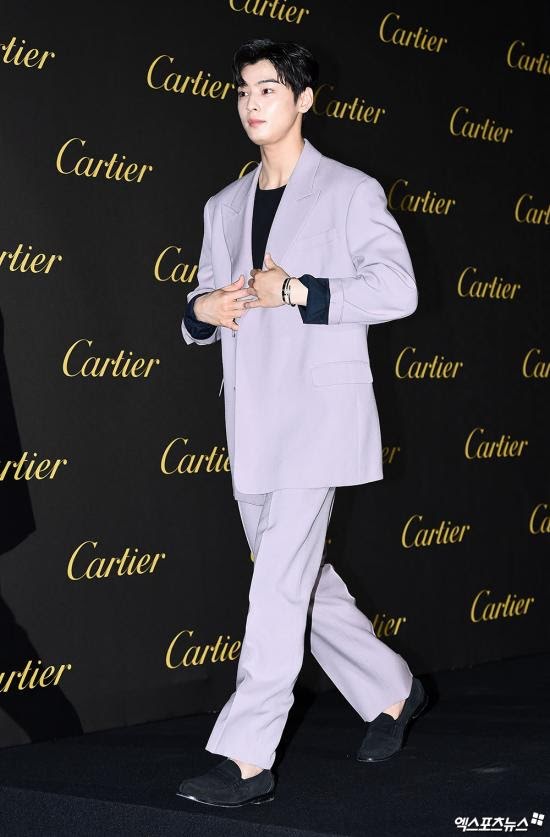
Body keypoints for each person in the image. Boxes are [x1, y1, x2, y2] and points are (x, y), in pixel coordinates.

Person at [176, 38, 428, 808]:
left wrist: (300, 291)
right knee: (300, 580)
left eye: (268, 89)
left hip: (318, 419)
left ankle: (247, 756)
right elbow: (203, 303)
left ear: (304, 100)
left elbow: (398, 289)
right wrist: (202, 309)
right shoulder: (222, 206)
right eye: (243, 90)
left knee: (278, 587)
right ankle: (392, 688)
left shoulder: (349, 190)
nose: (252, 103)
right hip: (252, 422)